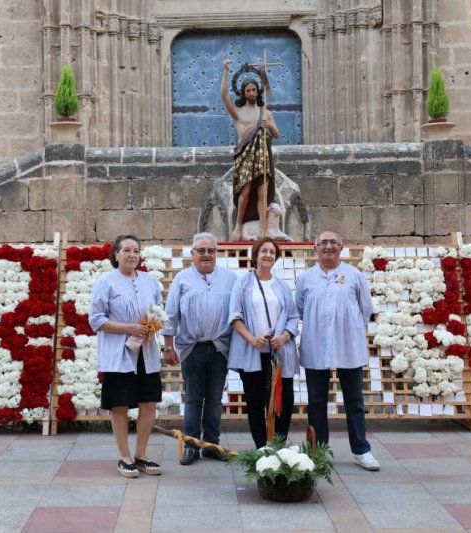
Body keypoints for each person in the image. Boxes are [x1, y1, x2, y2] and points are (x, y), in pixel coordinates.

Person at [295, 230, 380, 471]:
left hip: (348, 345)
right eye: (323, 243)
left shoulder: (354, 275)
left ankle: (361, 450)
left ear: (341, 247)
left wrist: (346, 325)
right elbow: (300, 310)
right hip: (316, 344)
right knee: (316, 402)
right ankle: (318, 451)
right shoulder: (306, 279)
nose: (328, 246)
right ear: (315, 249)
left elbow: (365, 309)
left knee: (353, 400)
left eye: (333, 242)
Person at [89, 235, 163, 478]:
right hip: (119, 354)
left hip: (146, 352)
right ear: (116, 254)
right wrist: (129, 328)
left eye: (136, 250)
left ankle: (141, 454)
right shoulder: (106, 282)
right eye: (127, 250)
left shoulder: (150, 282)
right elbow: (96, 320)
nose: (132, 255)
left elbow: (157, 311)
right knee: (119, 404)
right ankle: (124, 456)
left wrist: (153, 325)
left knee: (149, 402)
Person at [162, 232, 237, 465]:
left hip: (219, 347)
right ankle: (192, 445)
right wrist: (168, 347)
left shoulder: (230, 278)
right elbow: (170, 315)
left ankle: (211, 445)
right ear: (192, 254)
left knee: (215, 399)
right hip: (192, 347)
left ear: (217, 253)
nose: (206, 255)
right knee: (194, 399)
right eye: (201, 250)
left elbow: (237, 313)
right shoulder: (182, 279)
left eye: (211, 250)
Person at [228, 237, 299, 448]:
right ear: (256, 255)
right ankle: (262, 448)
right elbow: (234, 316)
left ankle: (279, 445)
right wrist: (252, 339)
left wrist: (284, 336)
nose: (268, 255)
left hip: (279, 352)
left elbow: (293, 317)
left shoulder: (283, 286)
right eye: (264, 251)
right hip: (253, 351)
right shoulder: (243, 282)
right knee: (256, 401)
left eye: (272, 252)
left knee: (283, 401)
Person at [221, 58, 280, 241]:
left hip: (262, 155)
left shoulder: (265, 111)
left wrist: (269, 124)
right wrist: (226, 71)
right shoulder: (238, 112)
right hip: (245, 154)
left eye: (254, 89)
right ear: (243, 93)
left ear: (258, 91)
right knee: (245, 191)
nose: (251, 93)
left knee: (263, 192)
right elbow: (223, 95)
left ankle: (263, 229)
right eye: (248, 90)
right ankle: (238, 225)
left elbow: (276, 134)